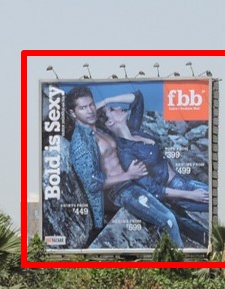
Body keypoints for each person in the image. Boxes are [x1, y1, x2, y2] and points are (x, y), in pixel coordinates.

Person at [63, 86, 185, 248]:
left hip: (134, 182)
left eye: (91, 105)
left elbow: (137, 99)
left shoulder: (100, 129)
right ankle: (181, 267)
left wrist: (106, 101)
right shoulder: (80, 143)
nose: (90, 110)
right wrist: (128, 175)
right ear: (73, 113)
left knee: (179, 214)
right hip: (120, 192)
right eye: (83, 108)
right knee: (168, 219)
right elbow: (92, 184)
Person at [96, 94, 211, 246]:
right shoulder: (126, 154)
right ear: (110, 122)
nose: (118, 107)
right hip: (178, 192)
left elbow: (137, 98)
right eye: (112, 109)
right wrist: (191, 195)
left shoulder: (134, 130)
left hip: (182, 182)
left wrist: (107, 100)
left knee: (221, 202)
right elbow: (153, 189)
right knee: (214, 205)